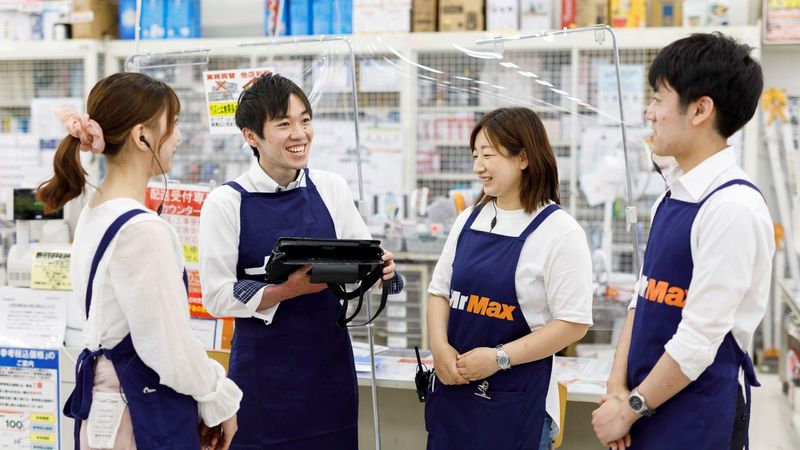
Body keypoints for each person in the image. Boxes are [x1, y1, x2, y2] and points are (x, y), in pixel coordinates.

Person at [38, 72, 241, 450]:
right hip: (141, 416)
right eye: (173, 123)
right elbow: (169, 348)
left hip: (106, 410)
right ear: (142, 135)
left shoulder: (95, 212)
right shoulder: (143, 230)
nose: (179, 136)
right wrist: (218, 399)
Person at [199, 72, 402, 449]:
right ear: (251, 136)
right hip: (263, 382)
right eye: (284, 124)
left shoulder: (330, 187)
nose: (300, 134)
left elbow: (367, 263)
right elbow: (216, 295)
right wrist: (286, 290)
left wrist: (381, 271)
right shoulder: (226, 203)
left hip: (329, 375)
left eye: (305, 120)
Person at [591, 33, 772, 450]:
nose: (649, 113)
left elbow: (698, 339)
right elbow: (642, 298)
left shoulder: (732, 208)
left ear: (700, 109)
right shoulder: (671, 196)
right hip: (645, 405)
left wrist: (630, 408)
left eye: (659, 98)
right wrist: (617, 388)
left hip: (698, 416)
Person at [425, 107, 594, 450]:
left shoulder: (560, 232)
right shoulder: (469, 220)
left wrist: (499, 358)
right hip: (455, 394)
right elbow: (439, 292)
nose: (478, 166)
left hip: (517, 403)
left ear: (523, 158)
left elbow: (573, 323)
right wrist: (439, 347)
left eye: (488, 155)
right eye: (475, 155)